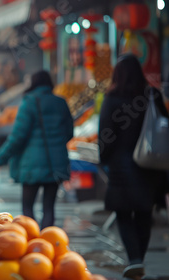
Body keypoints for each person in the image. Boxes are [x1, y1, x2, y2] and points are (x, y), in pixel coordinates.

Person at [99, 54, 169, 280]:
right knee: (144, 213)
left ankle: (135, 259)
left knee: (122, 212)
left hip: (121, 165)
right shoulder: (152, 95)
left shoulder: (112, 98)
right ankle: (138, 259)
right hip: (150, 163)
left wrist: (104, 158)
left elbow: (106, 135)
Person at [0, 70, 73, 229]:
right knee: (49, 207)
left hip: (31, 164)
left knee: (27, 207)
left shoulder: (29, 102)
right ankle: (47, 241)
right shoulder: (60, 102)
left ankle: (31, 240)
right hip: (55, 163)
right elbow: (69, 133)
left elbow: (17, 137)